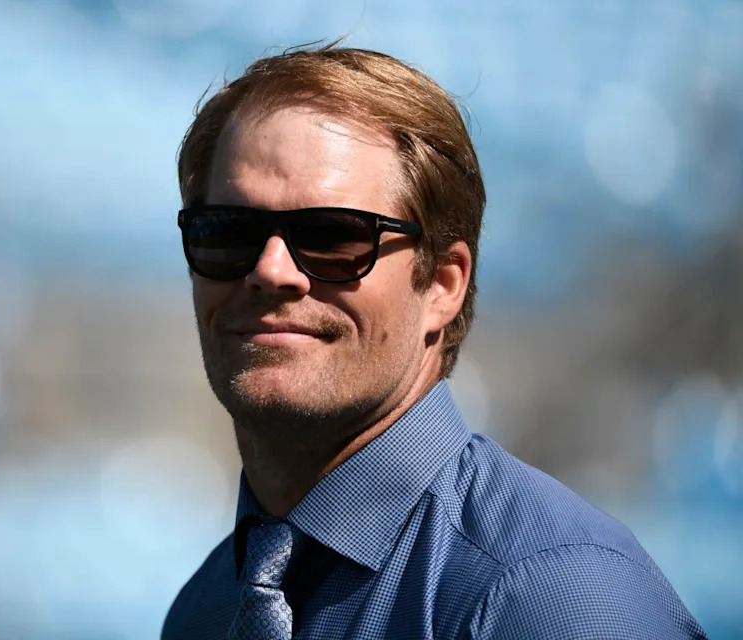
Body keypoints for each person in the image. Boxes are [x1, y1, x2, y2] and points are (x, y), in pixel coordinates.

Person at [161, 44, 707, 640]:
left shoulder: (553, 598)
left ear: (443, 285)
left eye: (332, 236)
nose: (270, 270)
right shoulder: (206, 610)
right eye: (226, 233)